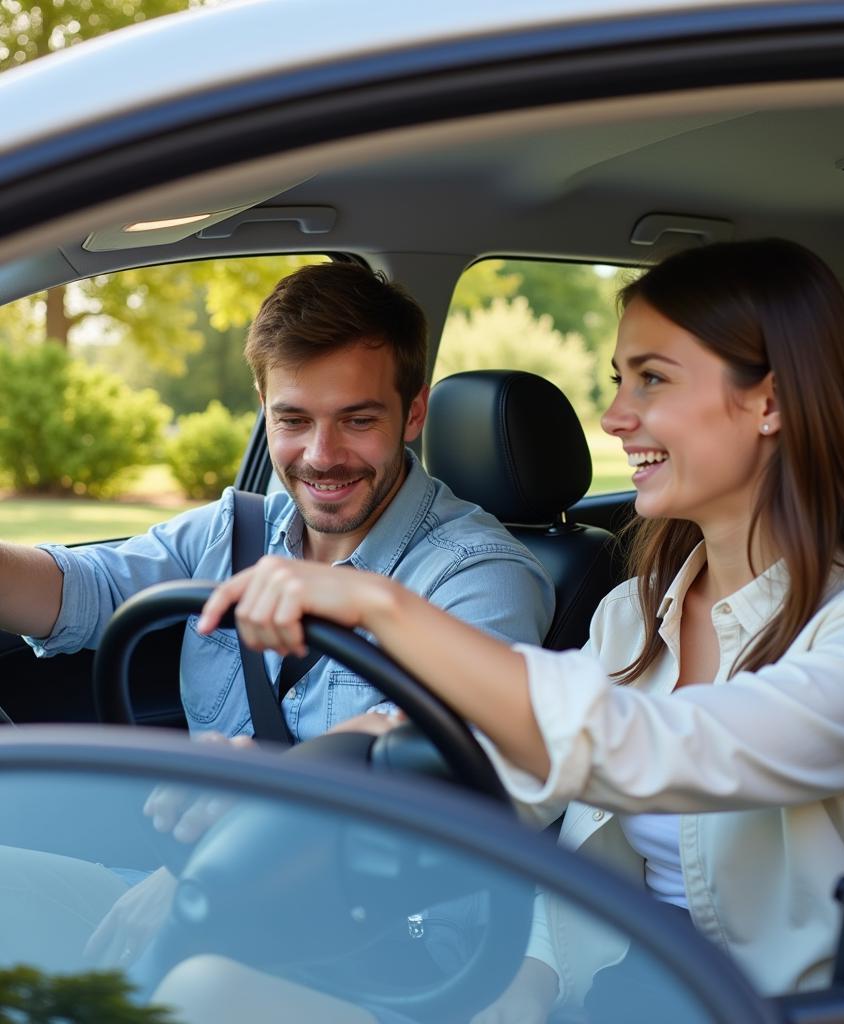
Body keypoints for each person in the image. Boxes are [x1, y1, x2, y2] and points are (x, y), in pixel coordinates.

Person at [178, 237, 844, 1021]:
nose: (614, 416)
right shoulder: (632, 618)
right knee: (207, 990)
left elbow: (642, 745)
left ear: (770, 402)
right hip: (610, 993)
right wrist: (281, 794)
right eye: (618, 381)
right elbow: (503, 770)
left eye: (653, 380)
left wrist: (378, 606)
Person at [0, 260, 554, 972]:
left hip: (391, 940)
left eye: (358, 420)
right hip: (205, 892)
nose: (322, 457)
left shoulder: (479, 573)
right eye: (292, 420)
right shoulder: (236, 532)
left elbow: (448, 758)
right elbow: (85, 587)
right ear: (263, 405)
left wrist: (210, 869)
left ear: (413, 413)